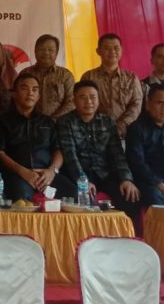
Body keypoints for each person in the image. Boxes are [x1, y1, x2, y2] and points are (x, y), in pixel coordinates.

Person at [57, 81, 141, 219]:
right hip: (77, 174)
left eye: (92, 97)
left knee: (130, 197)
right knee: (82, 201)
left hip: (104, 174)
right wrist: (83, 181)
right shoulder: (65, 122)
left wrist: (126, 179)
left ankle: (125, 232)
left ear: (98, 99)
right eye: (83, 97)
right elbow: (70, 155)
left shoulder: (107, 121)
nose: (88, 101)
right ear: (74, 100)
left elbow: (118, 154)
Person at [0, 73, 65, 202]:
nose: (30, 93)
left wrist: (52, 171)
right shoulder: (2, 121)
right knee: (23, 199)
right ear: (14, 94)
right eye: (24, 88)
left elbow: (58, 150)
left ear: (38, 96)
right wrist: (23, 172)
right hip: (17, 175)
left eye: (35, 89)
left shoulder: (47, 122)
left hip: (47, 175)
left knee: (74, 194)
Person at [81, 33, 143, 138]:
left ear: (121, 50)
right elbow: (83, 104)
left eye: (116, 48)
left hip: (127, 133)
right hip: (96, 133)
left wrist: (121, 126)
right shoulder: (88, 77)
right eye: (107, 48)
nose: (112, 51)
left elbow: (136, 104)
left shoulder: (131, 77)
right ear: (98, 51)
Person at [19, 34, 75, 119]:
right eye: (42, 49)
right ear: (35, 51)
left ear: (56, 53)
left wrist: (53, 120)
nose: (46, 53)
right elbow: (17, 99)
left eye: (50, 50)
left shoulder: (66, 75)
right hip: (28, 122)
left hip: (58, 123)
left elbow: (71, 102)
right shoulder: (25, 73)